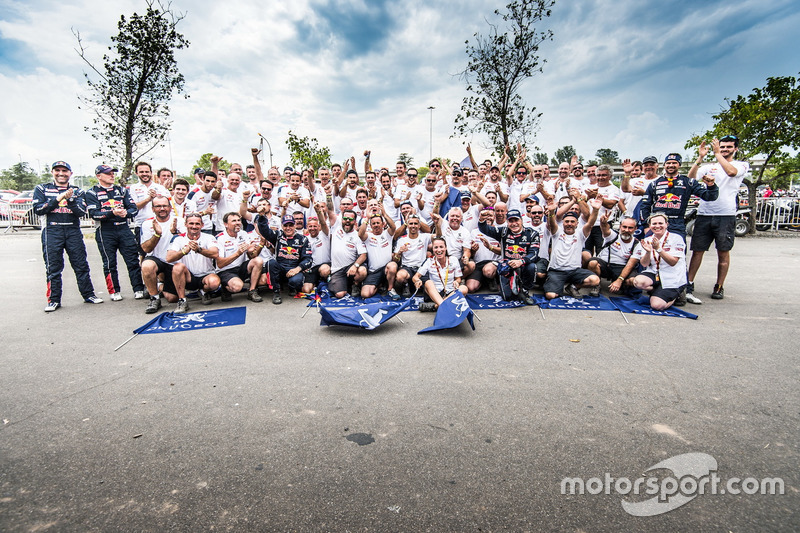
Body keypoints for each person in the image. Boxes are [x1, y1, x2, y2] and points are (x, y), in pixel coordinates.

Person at [685, 136, 750, 302]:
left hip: (725, 215)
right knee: (697, 251)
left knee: (723, 252)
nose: (725, 149)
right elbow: (690, 178)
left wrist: (717, 154)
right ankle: (689, 283)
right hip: (704, 213)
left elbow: (731, 172)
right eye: (722, 146)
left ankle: (719, 285)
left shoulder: (740, 165)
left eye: (729, 147)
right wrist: (700, 158)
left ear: (735, 149)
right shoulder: (709, 167)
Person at [33, 160, 103, 312]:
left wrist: (70, 199)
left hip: (72, 231)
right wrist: (59, 198)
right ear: (52, 172)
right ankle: (53, 300)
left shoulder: (77, 191)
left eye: (64, 171)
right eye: (57, 170)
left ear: (70, 174)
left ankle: (88, 294)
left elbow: (80, 212)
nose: (61, 173)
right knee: (53, 267)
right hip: (52, 231)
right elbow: (38, 209)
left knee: (81, 265)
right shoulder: (42, 188)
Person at [85, 164, 145, 301]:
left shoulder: (121, 190)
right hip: (105, 231)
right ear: (99, 176)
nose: (112, 175)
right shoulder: (92, 193)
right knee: (109, 263)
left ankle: (138, 288)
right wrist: (112, 213)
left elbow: (133, 209)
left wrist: (126, 213)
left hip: (124, 228)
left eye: (113, 173)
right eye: (108, 173)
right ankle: (114, 291)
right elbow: (94, 214)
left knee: (132, 260)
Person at [639, 153, 719, 238]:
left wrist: (711, 185)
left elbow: (709, 197)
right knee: (652, 250)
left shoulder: (688, 182)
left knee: (678, 250)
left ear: (679, 165)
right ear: (664, 165)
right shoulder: (655, 183)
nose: (671, 165)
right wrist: (646, 226)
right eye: (668, 163)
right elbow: (644, 206)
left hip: (677, 224)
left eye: (674, 163)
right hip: (657, 224)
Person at [544, 197, 602, 299]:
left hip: (575, 271)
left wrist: (596, 210)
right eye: (567, 221)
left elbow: (590, 223)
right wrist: (552, 211)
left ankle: (572, 287)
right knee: (550, 296)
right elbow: (552, 223)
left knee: (595, 280)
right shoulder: (557, 232)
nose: (569, 224)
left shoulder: (581, 234)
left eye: (572, 221)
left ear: (577, 223)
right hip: (557, 271)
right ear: (563, 223)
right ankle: (556, 286)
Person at [478, 209, 540, 305]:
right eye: (511, 221)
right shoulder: (503, 231)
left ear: (521, 221)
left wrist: (521, 261)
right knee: (507, 297)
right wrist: (482, 219)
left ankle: (525, 290)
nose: (514, 224)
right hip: (507, 265)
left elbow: (534, 254)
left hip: (523, 264)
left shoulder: (532, 234)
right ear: (507, 222)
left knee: (532, 266)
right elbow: (485, 229)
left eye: (516, 220)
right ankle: (508, 285)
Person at [163, 213, 222, 314]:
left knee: (214, 282)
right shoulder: (178, 238)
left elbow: (215, 253)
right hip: (188, 277)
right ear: (185, 224)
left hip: (205, 275)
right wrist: (184, 251)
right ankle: (182, 301)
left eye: (197, 224)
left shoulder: (209, 237)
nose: (194, 226)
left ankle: (204, 291)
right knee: (178, 267)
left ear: (202, 225)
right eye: (191, 223)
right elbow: (169, 258)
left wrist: (199, 249)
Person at [631, 213, 687, 310]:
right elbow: (644, 264)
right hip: (655, 272)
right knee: (638, 282)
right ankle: (657, 290)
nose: (657, 226)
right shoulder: (647, 240)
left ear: (666, 224)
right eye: (654, 223)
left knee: (656, 305)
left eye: (660, 223)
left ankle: (677, 295)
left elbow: (673, 262)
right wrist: (648, 252)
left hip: (672, 277)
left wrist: (659, 249)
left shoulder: (676, 238)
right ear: (650, 226)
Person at [256, 213, 313, 304]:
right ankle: (276, 292)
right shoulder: (278, 236)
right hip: (280, 268)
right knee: (270, 263)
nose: (288, 228)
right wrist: (262, 216)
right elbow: (264, 230)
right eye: (285, 225)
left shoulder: (303, 239)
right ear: (282, 226)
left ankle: (292, 287)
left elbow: (308, 259)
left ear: (294, 226)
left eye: (291, 225)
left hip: (294, 268)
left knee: (296, 281)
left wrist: (298, 269)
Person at [140, 196, 185, 310]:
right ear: (153, 209)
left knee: (172, 298)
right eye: (158, 206)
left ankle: (160, 285)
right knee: (147, 265)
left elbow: (185, 242)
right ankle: (154, 298)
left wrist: (175, 233)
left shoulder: (179, 221)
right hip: (157, 259)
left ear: (170, 207)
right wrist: (157, 235)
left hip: (174, 261)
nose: (162, 208)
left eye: (165, 206)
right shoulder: (147, 224)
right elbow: (146, 249)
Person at [586, 214, 640, 296]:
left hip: (621, 267)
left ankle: (622, 285)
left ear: (635, 229)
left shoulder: (637, 244)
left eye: (630, 228)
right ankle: (596, 285)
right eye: (624, 227)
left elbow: (630, 265)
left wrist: (620, 280)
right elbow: (605, 229)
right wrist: (603, 222)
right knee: (592, 263)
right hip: (605, 264)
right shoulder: (613, 236)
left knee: (634, 281)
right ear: (620, 227)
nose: (626, 230)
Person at [215, 212, 264, 302]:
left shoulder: (243, 234)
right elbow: (220, 264)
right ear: (226, 224)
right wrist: (238, 253)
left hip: (241, 267)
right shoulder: (220, 238)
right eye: (234, 221)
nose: (238, 223)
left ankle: (252, 291)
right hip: (226, 270)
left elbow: (253, 256)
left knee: (258, 261)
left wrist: (251, 251)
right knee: (237, 287)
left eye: (239, 220)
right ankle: (225, 288)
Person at [412, 237, 469, 312]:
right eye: (436, 247)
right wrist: (417, 281)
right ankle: (445, 305)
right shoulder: (429, 261)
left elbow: (458, 278)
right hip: (435, 292)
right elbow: (415, 277)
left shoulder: (453, 260)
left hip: (450, 292)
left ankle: (436, 306)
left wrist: (457, 282)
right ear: (433, 249)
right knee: (428, 283)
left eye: (441, 247)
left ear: (446, 248)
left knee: (464, 288)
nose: (439, 250)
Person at [128, 161, 171, 253]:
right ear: (137, 173)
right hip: (141, 225)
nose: (145, 174)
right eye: (141, 172)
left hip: (161, 225)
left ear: (151, 173)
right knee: (144, 253)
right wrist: (149, 199)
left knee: (163, 251)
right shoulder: (133, 188)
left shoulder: (160, 187)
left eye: (147, 172)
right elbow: (134, 207)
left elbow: (168, 206)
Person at [358, 203, 398, 299]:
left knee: (392, 266)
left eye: (378, 223)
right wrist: (367, 218)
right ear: (370, 225)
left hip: (386, 269)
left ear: (383, 224)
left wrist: (384, 214)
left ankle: (390, 289)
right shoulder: (368, 236)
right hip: (373, 271)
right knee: (365, 294)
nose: (376, 225)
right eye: (374, 223)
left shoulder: (387, 234)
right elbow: (360, 234)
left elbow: (393, 227)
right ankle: (379, 286)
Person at [328, 209, 368, 298]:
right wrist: (329, 195)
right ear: (341, 219)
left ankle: (355, 284)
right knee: (340, 294)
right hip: (337, 270)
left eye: (350, 219)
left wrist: (355, 265)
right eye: (345, 218)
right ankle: (339, 284)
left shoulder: (356, 236)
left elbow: (363, 254)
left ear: (354, 221)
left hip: (350, 268)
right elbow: (330, 210)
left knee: (362, 271)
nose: (347, 221)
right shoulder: (335, 228)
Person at [392, 214, 432, 297]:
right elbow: (395, 260)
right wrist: (399, 252)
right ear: (407, 226)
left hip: (421, 267)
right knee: (400, 276)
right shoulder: (402, 240)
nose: (413, 226)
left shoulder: (425, 237)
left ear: (419, 226)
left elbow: (438, 236)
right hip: (407, 268)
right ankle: (406, 285)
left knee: (429, 289)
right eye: (411, 224)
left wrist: (437, 224)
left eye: (415, 224)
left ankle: (420, 287)